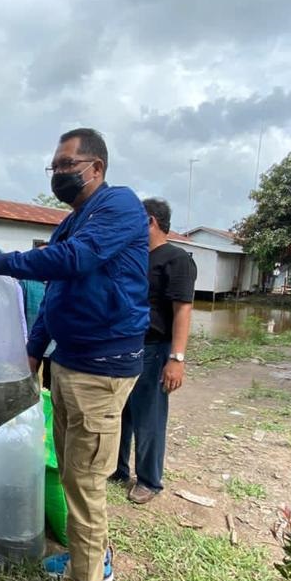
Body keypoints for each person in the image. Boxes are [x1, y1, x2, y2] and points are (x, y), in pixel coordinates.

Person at [0, 127, 149, 581]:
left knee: (85, 483)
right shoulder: (73, 221)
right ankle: (94, 560)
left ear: (97, 168)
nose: (60, 173)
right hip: (71, 361)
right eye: (55, 167)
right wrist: (34, 348)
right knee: (71, 471)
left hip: (101, 368)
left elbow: (72, 261)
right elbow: (60, 290)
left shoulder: (119, 208)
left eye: (67, 164)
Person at [113, 198, 195, 504]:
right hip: (126, 347)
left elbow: (183, 310)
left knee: (149, 416)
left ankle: (148, 479)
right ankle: (117, 469)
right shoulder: (134, 257)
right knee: (121, 413)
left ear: (149, 221)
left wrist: (176, 358)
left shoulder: (175, 259)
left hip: (155, 348)